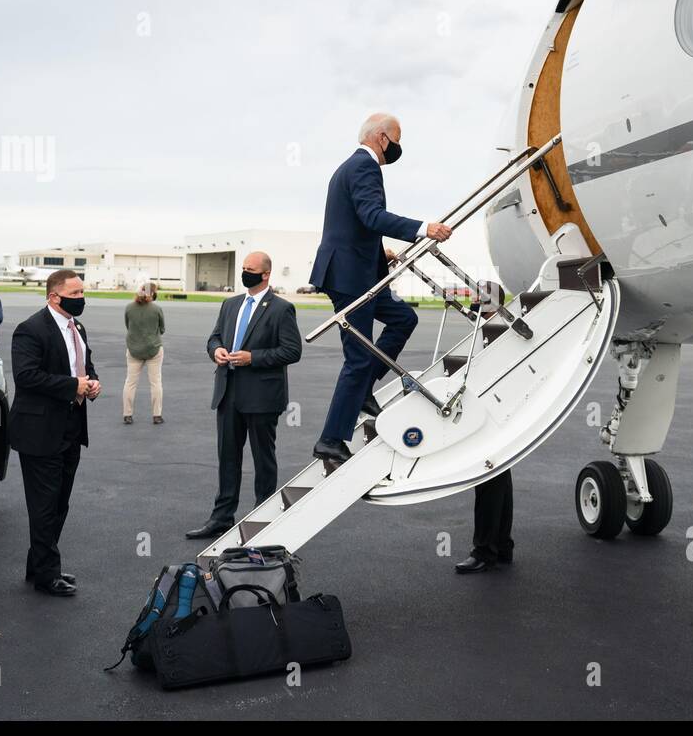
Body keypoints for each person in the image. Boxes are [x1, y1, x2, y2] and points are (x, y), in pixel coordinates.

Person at [309, 113, 452, 464]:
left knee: (403, 318)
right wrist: (424, 228)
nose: (398, 148)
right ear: (382, 138)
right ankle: (330, 439)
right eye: (397, 140)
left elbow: (357, 223)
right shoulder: (364, 167)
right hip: (350, 278)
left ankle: (363, 392)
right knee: (357, 359)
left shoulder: (350, 167)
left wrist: (379, 251)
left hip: (361, 272)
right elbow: (372, 215)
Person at [187, 252, 302, 539]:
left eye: (250, 270)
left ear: (265, 275)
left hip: (262, 396)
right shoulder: (230, 304)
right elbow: (214, 337)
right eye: (243, 269)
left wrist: (254, 357)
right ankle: (222, 517)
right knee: (227, 457)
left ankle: (264, 517)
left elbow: (292, 351)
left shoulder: (281, 308)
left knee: (263, 458)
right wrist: (216, 351)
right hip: (228, 392)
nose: (245, 273)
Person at [8, 269, 100, 597]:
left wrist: (92, 382)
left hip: (71, 428)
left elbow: (84, 365)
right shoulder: (31, 330)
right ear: (53, 297)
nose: (81, 299)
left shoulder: (78, 327)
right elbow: (27, 376)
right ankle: (48, 575)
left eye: (82, 293)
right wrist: (72, 385)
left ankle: (39, 565)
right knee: (44, 505)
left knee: (60, 503)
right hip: (39, 431)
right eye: (74, 295)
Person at [456, 282, 514, 574]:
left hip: (494, 416)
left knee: (488, 483)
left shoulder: (499, 330)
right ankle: (501, 545)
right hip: (497, 415)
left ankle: (485, 551)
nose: (474, 300)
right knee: (500, 481)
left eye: (478, 296)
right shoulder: (489, 325)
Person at [122, 281, 165, 425]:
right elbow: (162, 329)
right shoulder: (157, 309)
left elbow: (128, 326)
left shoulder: (129, 308)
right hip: (153, 348)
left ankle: (127, 414)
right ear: (153, 293)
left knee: (130, 382)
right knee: (156, 382)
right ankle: (157, 415)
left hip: (134, 349)